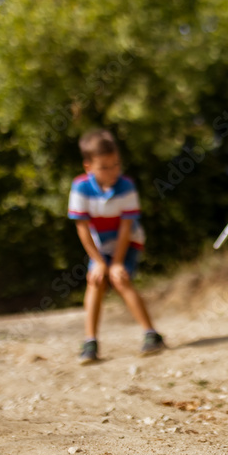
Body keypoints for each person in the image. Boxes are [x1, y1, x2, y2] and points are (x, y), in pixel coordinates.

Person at [67, 128, 165, 363]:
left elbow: (126, 227)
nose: (112, 171)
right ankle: (90, 341)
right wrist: (99, 263)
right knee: (96, 281)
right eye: (104, 167)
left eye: (116, 165)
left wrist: (118, 262)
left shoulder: (127, 187)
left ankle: (151, 334)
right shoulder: (80, 188)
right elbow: (82, 228)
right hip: (99, 246)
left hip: (127, 242)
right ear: (88, 167)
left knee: (120, 279)